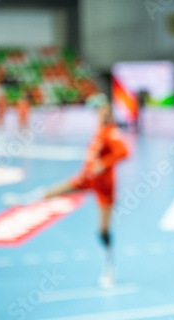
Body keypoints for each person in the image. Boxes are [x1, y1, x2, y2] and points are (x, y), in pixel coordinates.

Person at [43, 92, 129, 288]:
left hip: (105, 186)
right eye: (96, 110)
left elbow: (124, 151)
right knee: (60, 188)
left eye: (101, 109)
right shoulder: (99, 131)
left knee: (103, 230)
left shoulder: (109, 131)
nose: (98, 113)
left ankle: (109, 268)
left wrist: (104, 164)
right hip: (89, 179)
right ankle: (29, 199)